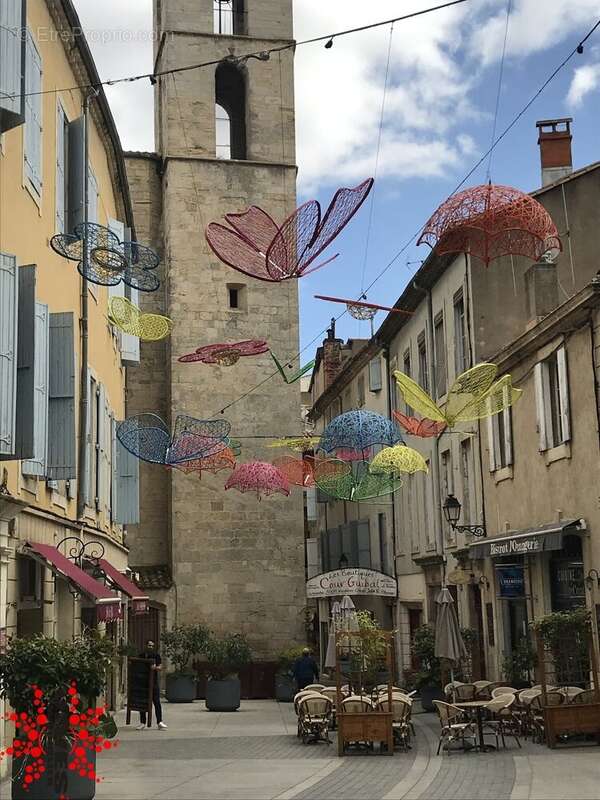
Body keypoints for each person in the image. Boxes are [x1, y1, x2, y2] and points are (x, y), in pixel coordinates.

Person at [136, 639, 168, 730]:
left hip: (153, 682)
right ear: (146, 646)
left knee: (157, 702)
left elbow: (160, 667)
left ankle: (159, 722)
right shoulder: (142, 655)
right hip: (143, 682)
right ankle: (142, 722)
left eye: (152, 646)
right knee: (142, 703)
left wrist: (155, 668)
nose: (150, 647)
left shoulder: (156, 656)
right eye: (149, 645)